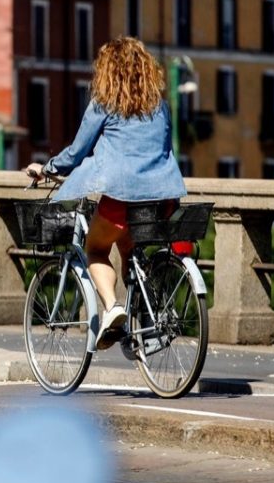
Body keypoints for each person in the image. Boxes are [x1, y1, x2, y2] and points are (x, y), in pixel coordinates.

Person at [25, 36, 186, 349]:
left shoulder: (104, 104)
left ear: (107, 71)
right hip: (163, 198)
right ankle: (148, 322)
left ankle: (113, 308)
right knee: (129, 247)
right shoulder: (161, 107)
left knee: (96, 249)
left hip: (122, 199)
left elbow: (77, 152)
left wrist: (48, 169)